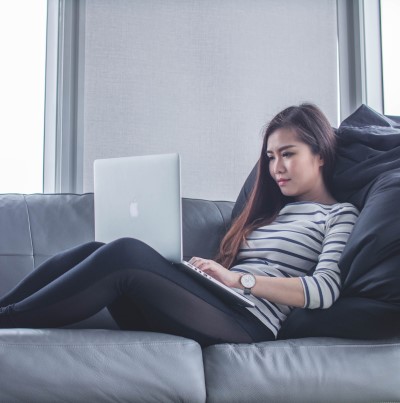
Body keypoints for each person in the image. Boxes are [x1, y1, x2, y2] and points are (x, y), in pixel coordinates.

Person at [0, 103, 359, 346]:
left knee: (126, 252)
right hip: (217, 307)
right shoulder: (271, 213)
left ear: (321, 154)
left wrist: (240, 280)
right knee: (100, 249)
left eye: (288, 154)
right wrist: (205, 276)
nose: (276, 167)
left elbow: (325, 291)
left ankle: (8, 321)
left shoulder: (338, 215)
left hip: (251, 325)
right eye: (270, 157)